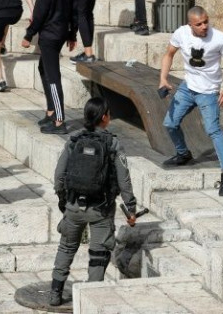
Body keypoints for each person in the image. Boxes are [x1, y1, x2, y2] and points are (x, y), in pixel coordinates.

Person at [49, 97, 137, 307]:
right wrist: (131, 209)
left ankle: (55, 293)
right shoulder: (113, 144)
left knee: (66, 247)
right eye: (109, 113)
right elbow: (124, 179)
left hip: (73, 206)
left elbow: (59, 175)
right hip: (100, 210)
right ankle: (90, 299)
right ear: (104, 117)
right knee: (98, 254)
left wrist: (64, 200)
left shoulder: (73, 140)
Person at [159, 7, 223, 196]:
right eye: (199, 24)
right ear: (190, 25)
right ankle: (183, 154)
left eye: (206, 22)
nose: (204, 26)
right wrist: (163, 78)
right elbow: (168, 54)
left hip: (209, 91)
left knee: (212, 129)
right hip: (188, 87)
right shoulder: (181, 33)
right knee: (170, 123)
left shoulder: (219, 38)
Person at [22, 0, 77, 135]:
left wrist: (29, 35)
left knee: (53, 77)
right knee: (43, 69)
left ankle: (60, 121)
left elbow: (40, 12)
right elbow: (74, 9)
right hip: (61, 32)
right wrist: (72, 33)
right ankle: (51, 111)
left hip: (50, 35)